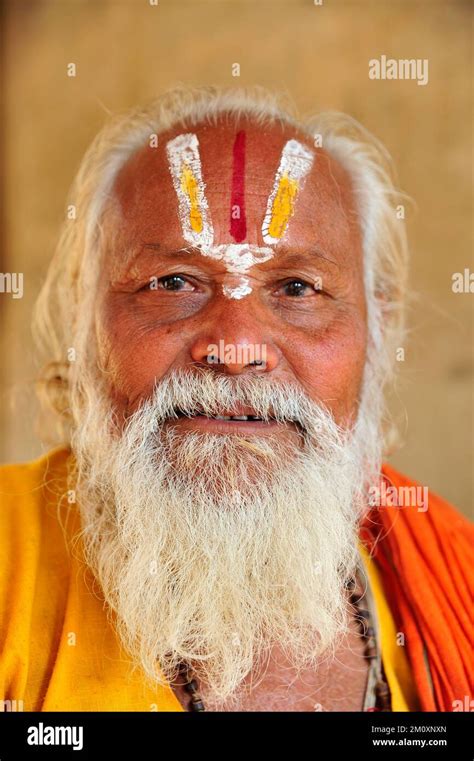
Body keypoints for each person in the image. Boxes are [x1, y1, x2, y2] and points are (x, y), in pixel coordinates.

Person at [0, 86, 471, 713]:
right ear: (86, 318)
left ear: (377, 330)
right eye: (173, 283)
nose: (237, 345)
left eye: (298, 288)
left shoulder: (458, 577)